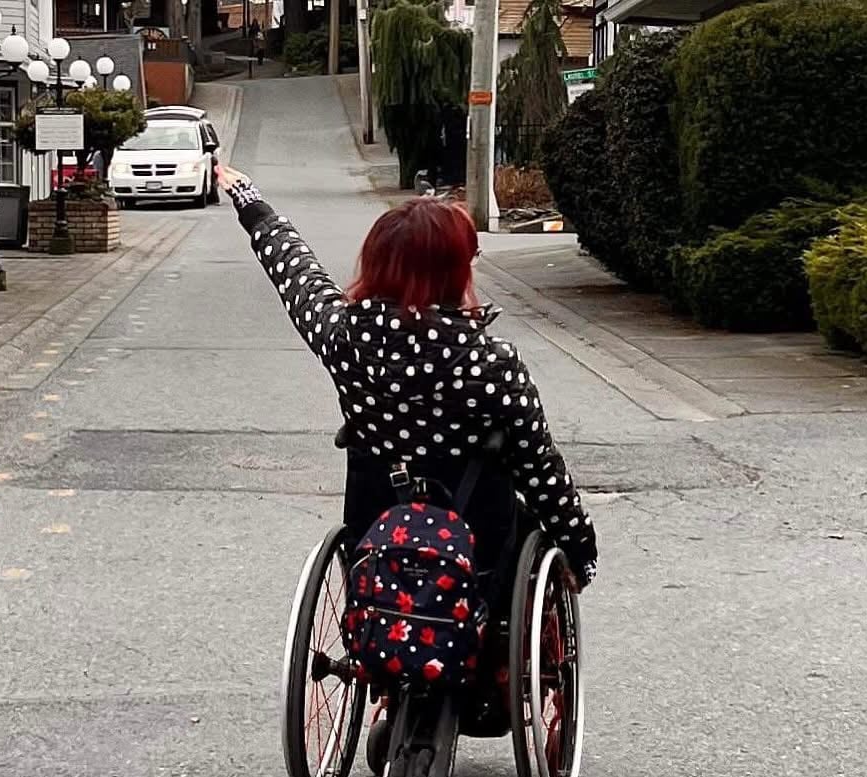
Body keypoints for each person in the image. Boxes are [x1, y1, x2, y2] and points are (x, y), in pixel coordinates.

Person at [216, 165, 598, 592]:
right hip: (478, 555)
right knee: (529, 521)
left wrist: (250, 202)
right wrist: (581, 553)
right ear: (454, 272)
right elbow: (540, 470)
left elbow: (297, 275)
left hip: (374, 538)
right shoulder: (493, 364)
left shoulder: (346, 339)